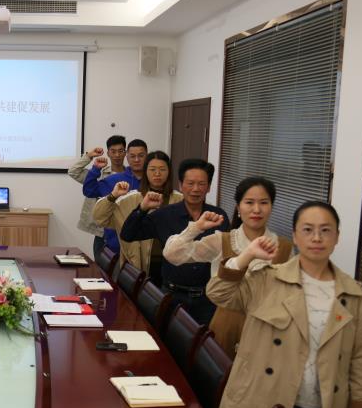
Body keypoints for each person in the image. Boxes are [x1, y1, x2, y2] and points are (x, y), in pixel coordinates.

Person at [206, 201, 362, 408]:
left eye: (325, 230)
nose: (316, 238)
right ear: (295, 236)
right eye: (307, 229)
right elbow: (219, 294)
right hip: (266, 401)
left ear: (337, 237)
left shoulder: (354, 295)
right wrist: (246, 256)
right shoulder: (267, 279)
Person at [163, 177, 292, 358]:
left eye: (264, 202)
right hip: (226, 326)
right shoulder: (222, 241)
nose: (256, 209)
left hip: (267, 331)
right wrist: (196, 227)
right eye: (249, 202)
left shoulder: (284, 247)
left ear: (271, 206)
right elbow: (172, 254)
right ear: (238, 207)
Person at [120, 159, 229, 325]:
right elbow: (128, 234)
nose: (195, 189)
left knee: (206, 341)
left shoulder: (218, 216)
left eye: (201, 184)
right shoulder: (165, 215)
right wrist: (142, 208)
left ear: (208, 187)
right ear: (181, 185)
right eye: (190, 183)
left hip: (207, 300)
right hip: (172, 297)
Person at [92, 151, 182, 286]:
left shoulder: (180, 200)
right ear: (145, 172)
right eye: (152, 169)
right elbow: (100, 218)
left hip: (172, 269)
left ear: (169, 172)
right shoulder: (131, 199)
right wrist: (113, 196)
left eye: (162, 169)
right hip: (137, 269)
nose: (157, 174)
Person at [83, 139, 147, 256]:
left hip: (147, 248)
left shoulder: (154, 182)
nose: (137, 160)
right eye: (132, 156)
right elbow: (89, 190)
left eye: (141, 156)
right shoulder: (114, 180)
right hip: (116, 246)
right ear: (127, 157)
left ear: (147, 156)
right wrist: (95, 169)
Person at [68, 135, 126, 259]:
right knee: (100, 268)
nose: (117, 155)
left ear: (125, 153)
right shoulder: (99, 173)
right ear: (108, 153)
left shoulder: (130, 176)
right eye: (113, 151)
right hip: (103, 232)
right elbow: (73, 171)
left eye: (120, 151)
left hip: (124, 230)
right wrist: (89, 155)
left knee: (125, 269)